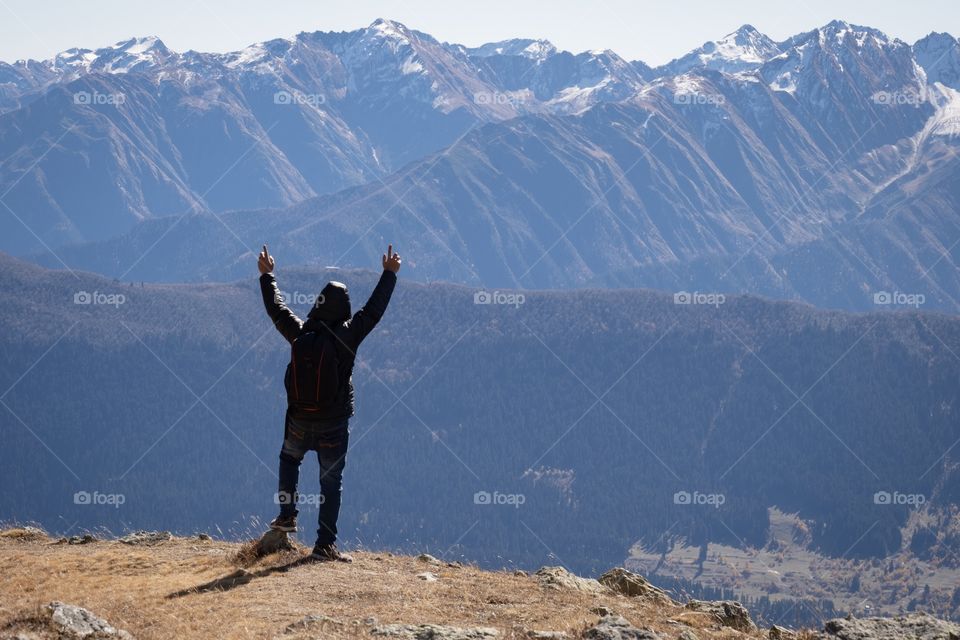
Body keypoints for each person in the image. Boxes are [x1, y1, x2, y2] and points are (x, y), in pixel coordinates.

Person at [258, 243, 401, 561]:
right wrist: (389, 274)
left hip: (298, 419)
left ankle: (286, 515)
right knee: (330, 481)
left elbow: (277, 310)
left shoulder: (299, 333)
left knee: (289, 461)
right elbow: (374, 311)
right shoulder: (348, 336)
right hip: (333, 424)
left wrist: (268, 276)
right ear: (344, 309)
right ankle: (324, 545)